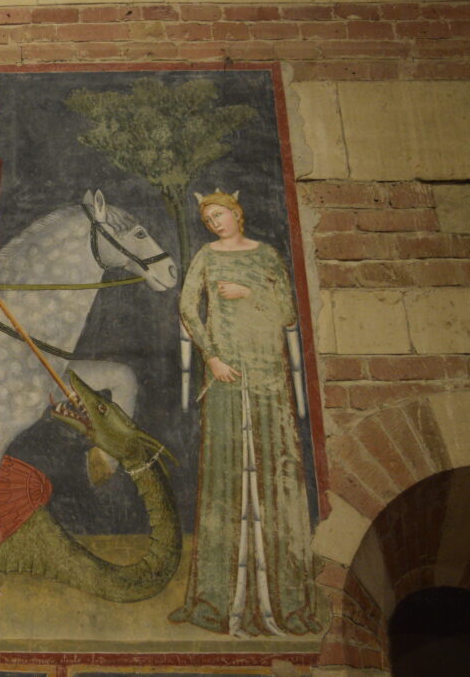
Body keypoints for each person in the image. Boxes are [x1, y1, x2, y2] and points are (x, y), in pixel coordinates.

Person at [169, 190, 321, 637]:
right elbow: (186, 308)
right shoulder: (207, 255)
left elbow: (288, 311)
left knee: (279, 473)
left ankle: (288, 602)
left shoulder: (267, 255)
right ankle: (214, 599)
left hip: (268, 372)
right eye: (209, 218)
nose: (215, 223)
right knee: (223, 477)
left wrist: (251, 292)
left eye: (220, 215)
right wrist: (211, 356)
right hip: (226, 374)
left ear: (238, 212)